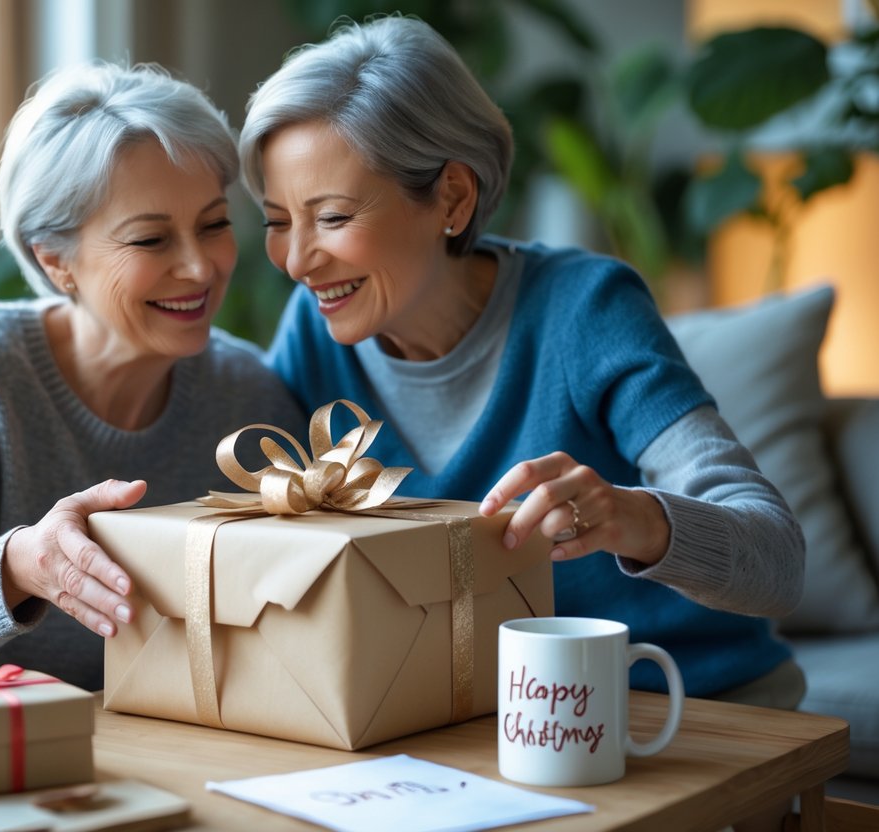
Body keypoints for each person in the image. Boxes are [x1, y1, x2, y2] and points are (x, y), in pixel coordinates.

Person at [239, 16, 806, 711]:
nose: (297, 261)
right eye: (276, 221)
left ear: (451, 196)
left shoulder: (581, 309)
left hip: (688, 703)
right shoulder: (313, 329)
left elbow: (776, 561)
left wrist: (632, 518)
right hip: (486, 715)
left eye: (329, 217)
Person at [0, 62, 304, 730]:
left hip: (173, 758)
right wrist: (17, 569)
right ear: (54, 261)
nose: (200, 265)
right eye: (151, 239)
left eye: (213, 224)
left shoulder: (248, 395)